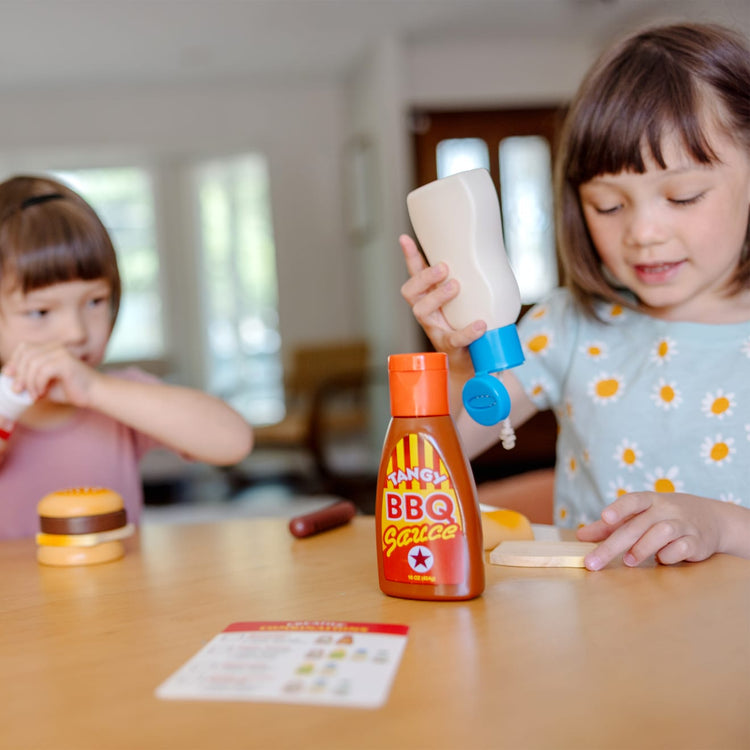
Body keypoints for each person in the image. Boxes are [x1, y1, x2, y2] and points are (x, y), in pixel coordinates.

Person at [400, 22, 750, 570]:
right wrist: (459, 364)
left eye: (683, 196)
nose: (643, 233)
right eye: (609, 206)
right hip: (594, 640)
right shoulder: (568, 324)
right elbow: (419, 470)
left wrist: (723, 524)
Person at [0, 174, 254, 539]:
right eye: (40, 312)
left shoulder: (117, 395)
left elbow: (235, 441)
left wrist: (95, 390)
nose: (76, 333)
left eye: (95, 301)